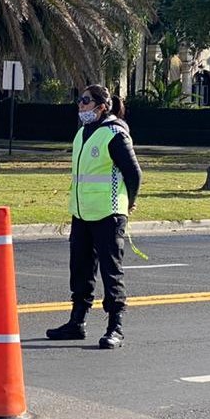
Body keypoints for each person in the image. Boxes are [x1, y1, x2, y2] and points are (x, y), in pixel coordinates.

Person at [45, 84, 142, 349]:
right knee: (80, 269)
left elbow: (134, 174)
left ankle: (115, 327)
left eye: (85, 101)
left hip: (108, 213)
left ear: (101, 107)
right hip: (82, 213)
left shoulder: (115, 134)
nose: (80, 106)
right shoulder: (82, 133)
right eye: (79, 100)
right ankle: (77, 322)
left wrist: (129, 202)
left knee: (111, 272)